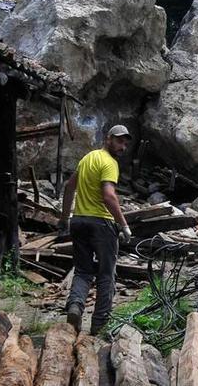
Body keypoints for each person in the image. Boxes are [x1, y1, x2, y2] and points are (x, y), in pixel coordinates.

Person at [59, 124, 133, 334]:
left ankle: (75, 306)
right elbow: (109, 196)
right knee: (106, 274)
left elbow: (68, 186)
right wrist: (124, 225)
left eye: (125, 143)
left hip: (79, 222)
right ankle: (100, 324)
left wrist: (65, 219)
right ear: (108, 138)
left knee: (82, 271)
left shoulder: (87, 158)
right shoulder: (109, 163)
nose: (123, 147)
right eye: (119, 141)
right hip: (101, 224)